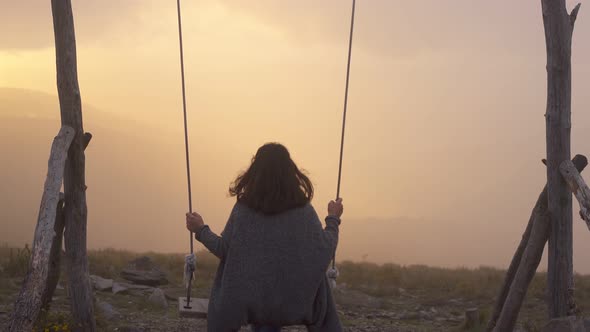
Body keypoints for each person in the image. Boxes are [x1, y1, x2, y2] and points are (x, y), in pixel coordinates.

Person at [185, 142, 343, 332]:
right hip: (294, 304)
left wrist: (201, 230)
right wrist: (333, 218)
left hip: (249, 303)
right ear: (290, 172)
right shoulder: (303, 211)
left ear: (255, 172)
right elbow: (325, 248)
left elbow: (224, 250)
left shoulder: (244, 210)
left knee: (235, 272)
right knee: (320, 283)